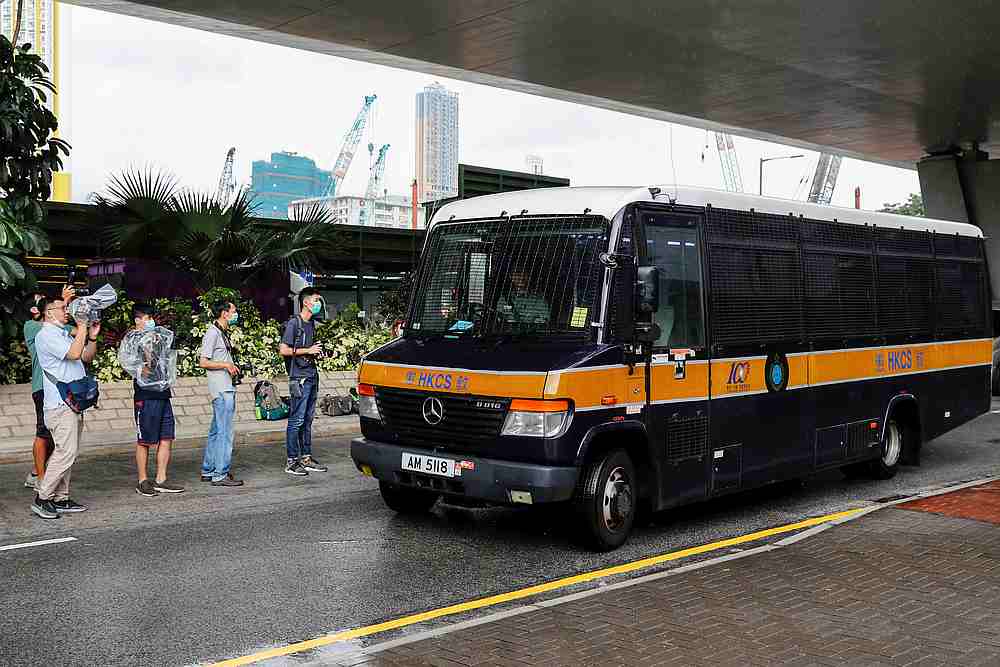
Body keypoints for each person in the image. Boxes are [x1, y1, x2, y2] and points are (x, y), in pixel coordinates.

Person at [31, 295, 100, 519]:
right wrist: (81, 327)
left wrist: (91, 337)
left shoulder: (62, 333)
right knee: (66, 452)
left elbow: (86, 356)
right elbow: (73, 353)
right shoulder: (45, 336)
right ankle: (42, 497)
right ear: (49, 312)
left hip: (73, 403)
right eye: (62, 308)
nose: (66, 311)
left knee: (68, 452)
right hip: (59, 405)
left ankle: (61, 497)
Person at [23, 285, 75, 490]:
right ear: (36, 311)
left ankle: (37, 473)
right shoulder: (32, 326)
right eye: (42, 302)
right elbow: (66, 328)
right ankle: (41, 480)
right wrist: (64, 303)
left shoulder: (51, 326)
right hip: (43, 387)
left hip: (58, 387)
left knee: (55, 436)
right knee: (43, 433)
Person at [130, 303, 185, 497]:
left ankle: (161, 479)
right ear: (138, 321)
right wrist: (147, 346)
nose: (150, 321)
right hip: (146, 396)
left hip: (163, 394)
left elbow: (165, 360)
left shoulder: (157, 338)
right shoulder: (132, 341)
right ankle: (143, 480)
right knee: (144, 440)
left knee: (166, 437)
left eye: (151, 318)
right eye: (146, 318)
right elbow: (142, 367)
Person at [279, 287, 328, 476]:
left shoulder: (312, 324)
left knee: (307, 419)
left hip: (311, 375)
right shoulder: (294, 323)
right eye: (316, 300)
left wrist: (316, 353)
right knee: (296, 420)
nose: (318, 304)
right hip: (299, 378)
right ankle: (292, 461)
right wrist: (307, 351)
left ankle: (306, 458)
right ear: (306, 302)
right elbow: (283, 350)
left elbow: (308, 348)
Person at [198, 299, 244, 487]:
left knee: (216, 431)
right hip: (221, 388)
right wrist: (226, 365)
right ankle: (220, 474)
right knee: (225, 432)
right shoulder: (212, 333)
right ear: (224, 313)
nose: (235, 314)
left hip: (224, 386)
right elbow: (203, 362)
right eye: (233, 311)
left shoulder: (220, 332)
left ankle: (208, 470)